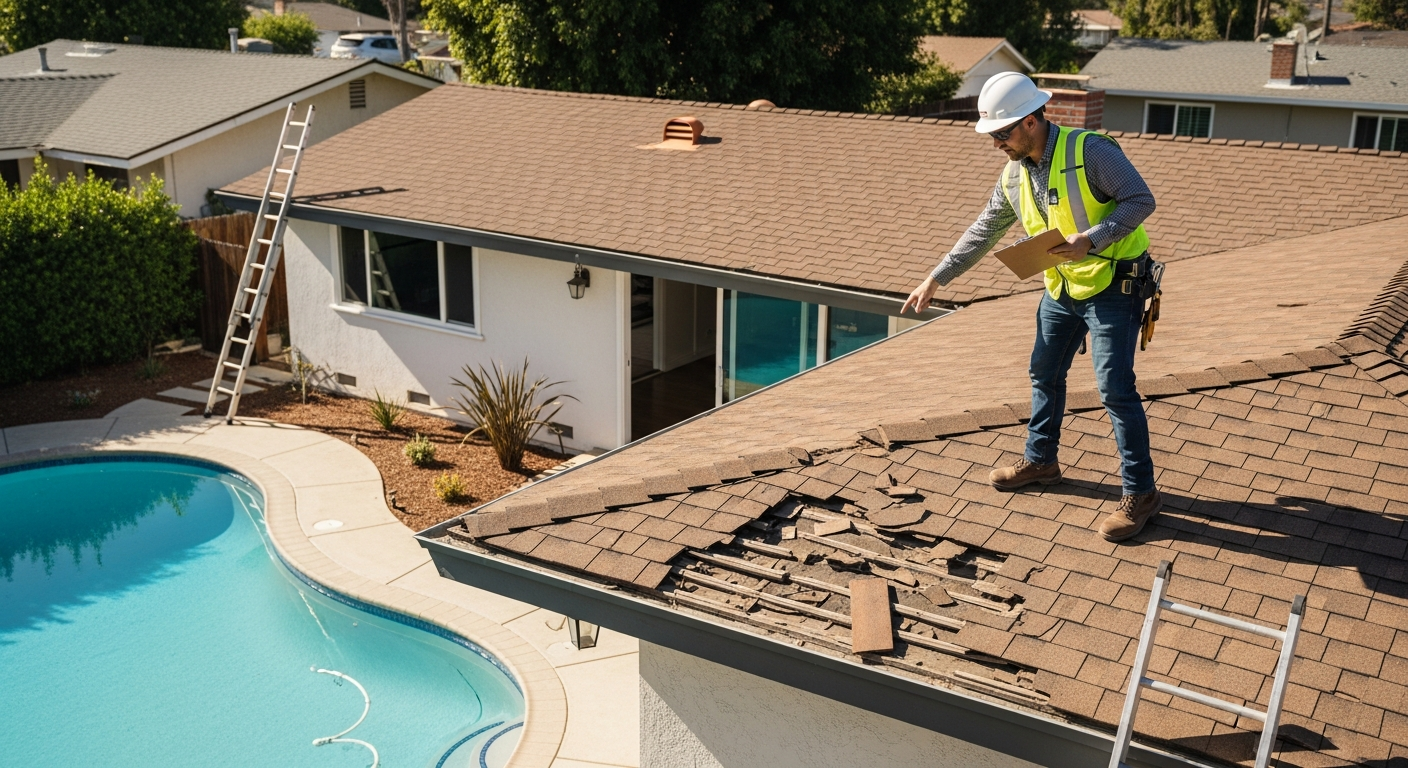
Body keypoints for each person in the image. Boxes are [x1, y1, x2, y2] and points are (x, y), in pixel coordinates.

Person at [901, 71, 1161, 542]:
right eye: (991, 135)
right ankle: (1042, 460)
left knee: (1116, 391)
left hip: (1112, 285)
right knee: (1044, 372)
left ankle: (1141, 493)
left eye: (1001, 133)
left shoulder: (1091, 152)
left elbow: (1141, 200)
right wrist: (936, 278)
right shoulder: (1013, 174)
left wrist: (1092, 239)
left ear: (1030, 121)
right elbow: (984, 230)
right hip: (1061, 288)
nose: (996, 143)